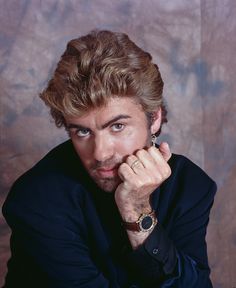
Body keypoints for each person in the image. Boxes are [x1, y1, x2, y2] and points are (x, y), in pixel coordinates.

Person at [2, 30, 217, 288]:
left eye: (117, 127)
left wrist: (136, 209)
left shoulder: (190, 186)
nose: (100, 153)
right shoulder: (37, 199)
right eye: (82, 131)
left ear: (154, 118)